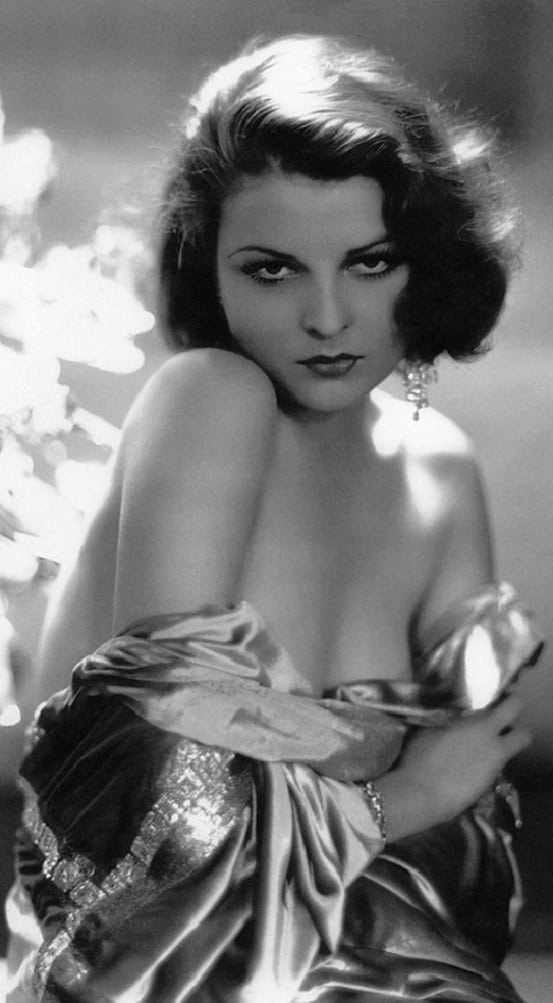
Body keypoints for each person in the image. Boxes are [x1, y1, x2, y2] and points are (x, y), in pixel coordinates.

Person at [6, 34, 543, 1003]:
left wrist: (373, 787)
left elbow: (477, 840)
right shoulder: (211, 396)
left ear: (425, 260)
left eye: (370, 261)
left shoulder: (440, 463)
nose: (327, 316)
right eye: (271, 270)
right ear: (207, 269)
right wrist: (399, 789)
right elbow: (146, 798)